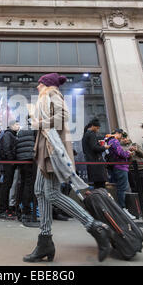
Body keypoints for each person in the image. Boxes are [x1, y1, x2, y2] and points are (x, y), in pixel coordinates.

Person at [23, 73, 113, 263]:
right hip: (44, 153)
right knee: (40, 191)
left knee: (52, 194)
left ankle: (95, 226)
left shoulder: (53, 94)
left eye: (39, 84)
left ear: (46, 84)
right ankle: (45, 241)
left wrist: (38, 122)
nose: (37, 87)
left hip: (52, 153)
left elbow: (62, 116)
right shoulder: (45, 98)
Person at [106, 128, 136, 220]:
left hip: (119, 167)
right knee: (122, 188)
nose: (122, 137)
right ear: (118, 134)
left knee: (121, 188)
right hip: (120, 167)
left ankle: (121, 209)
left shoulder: (110, 140)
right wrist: (128, 153)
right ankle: (122, 209)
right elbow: (120, 153)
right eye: (121, 135)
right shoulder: (114, 140)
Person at [121, 134, 143, 216]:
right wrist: (128, 153)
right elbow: (122, 158)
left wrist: (136, 150)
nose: (125, 139)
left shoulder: (135, 145)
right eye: (123, 138)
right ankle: (137, 209)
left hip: (141, 169)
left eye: (126, 137)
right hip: (131, 170)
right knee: (134, 189)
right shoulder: (121, 147)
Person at [16, 121, 39, 227]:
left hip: (21, 160)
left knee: (23, 183)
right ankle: (27, 211)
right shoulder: (34, 129)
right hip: (30, 160)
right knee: (29, 186)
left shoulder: (21, 130)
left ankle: (21, 209)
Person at [0, 120, 20, 219]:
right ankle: (3, 210)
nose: (18, 126)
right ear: (11, 126)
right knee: (6, 186)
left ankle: (6, 209)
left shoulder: (13, 135)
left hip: (11, 164)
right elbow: (7, 148)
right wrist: (11, 161)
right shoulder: (8, 135)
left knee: (8, 186)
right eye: (16, 124)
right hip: (8, 164)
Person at [82, 118, 107, 189]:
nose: (98, 130)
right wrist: (105, 147)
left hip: (91, 163)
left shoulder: (86, 134)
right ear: (93, 126)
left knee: (97, 186)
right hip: (97, 163)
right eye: (97, 128)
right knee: (101, 187)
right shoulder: (91, 134)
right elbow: (95, 148)